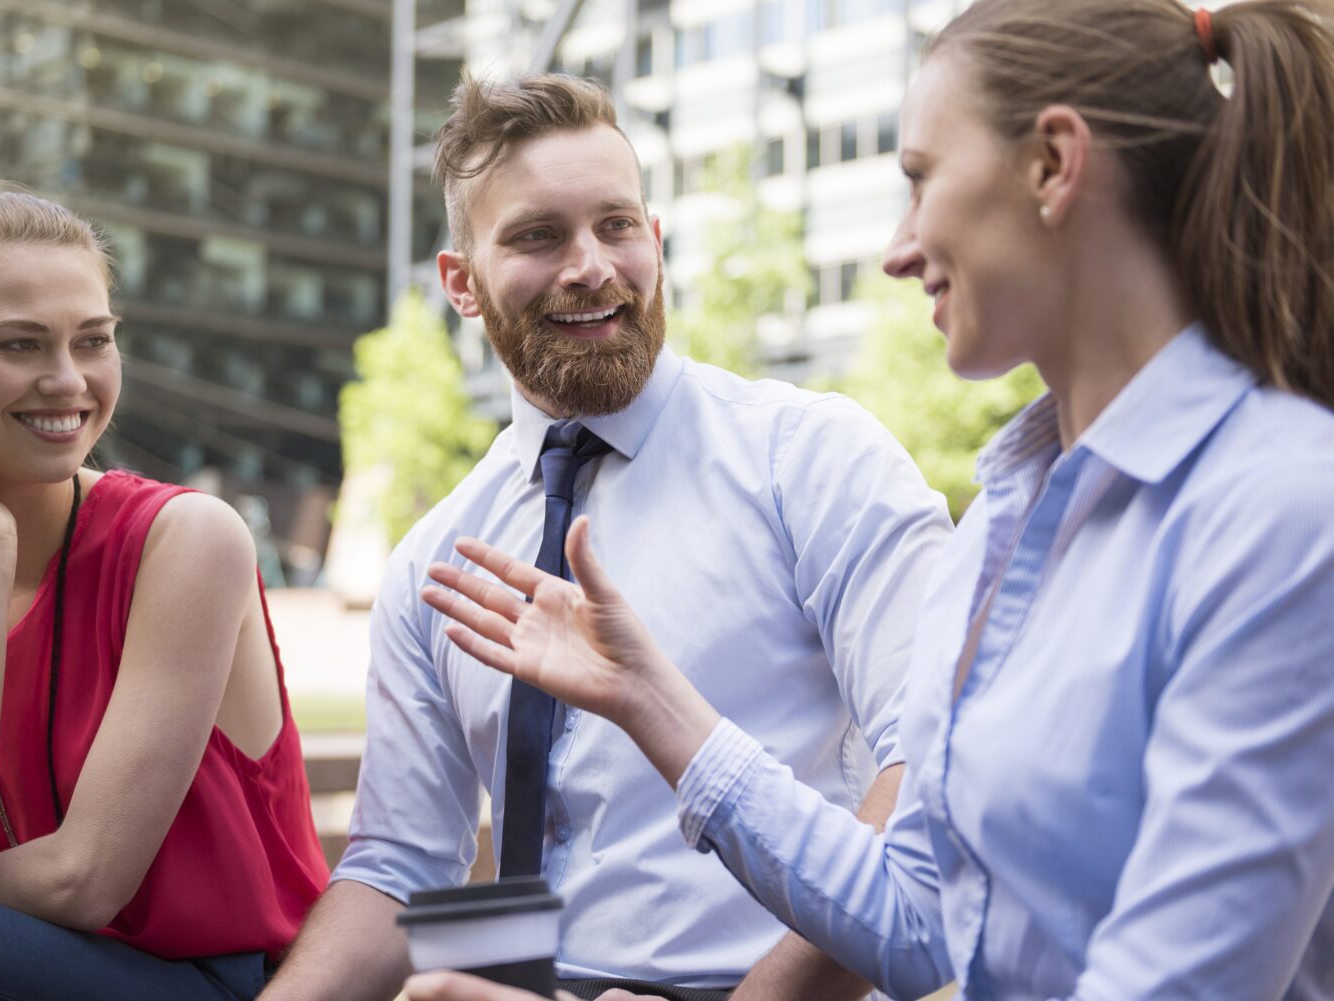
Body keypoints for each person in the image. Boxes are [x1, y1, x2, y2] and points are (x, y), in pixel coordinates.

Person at [417, 0, 1334, 998]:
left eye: (920, 179)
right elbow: (917, 916)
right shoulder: (1005, 522)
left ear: (1053, 166)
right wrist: (651, 698)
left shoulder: (1284, 512)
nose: (897, 248)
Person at [261, 74, 953, 1001]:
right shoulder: (434, 557)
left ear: (655, 241)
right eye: (539, 236)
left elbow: (934, 772)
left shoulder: (814, 460)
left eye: (616, 225)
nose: (591, 265)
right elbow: (398, 869)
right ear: (462, 284)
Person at [0, 190, 330, 1000]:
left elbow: (86, 877)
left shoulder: (188, 540)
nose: (67, 381)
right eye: (20, 344)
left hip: (205, 983)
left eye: (93, 340)